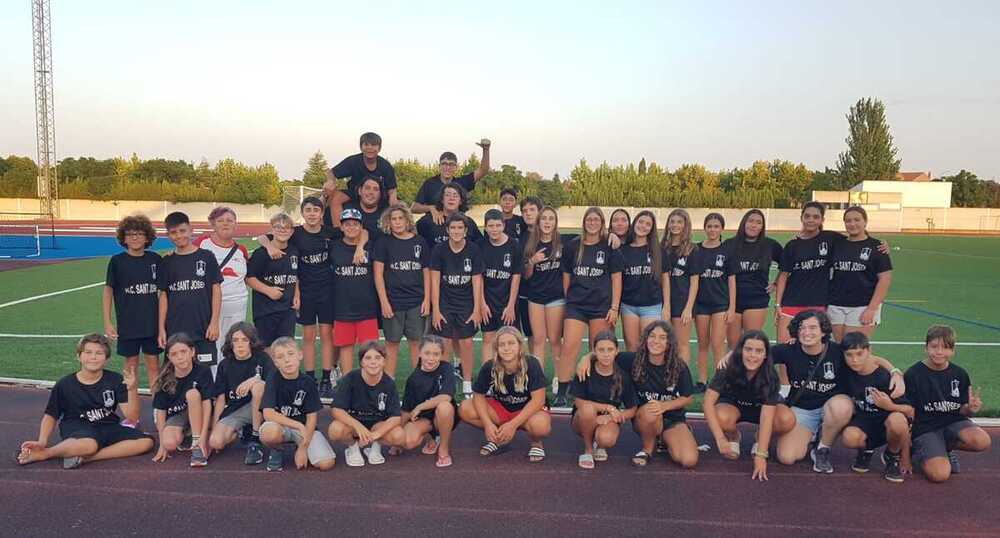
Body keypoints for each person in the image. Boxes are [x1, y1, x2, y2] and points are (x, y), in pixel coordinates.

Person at [767, 310, 904, 472]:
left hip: (832, 408)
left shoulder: (837, 351)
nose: (806, 332)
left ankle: (822, 449)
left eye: (812, 328)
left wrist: (895, 372)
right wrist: (731, 357)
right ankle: (814, 436)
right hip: (804, 409)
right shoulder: (789, 349)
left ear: (823, 330)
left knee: (842, 406)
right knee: (787, 457)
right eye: (802, 328)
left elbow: (871, 359)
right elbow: (759, 354)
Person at [256, 197, 364, 397]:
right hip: (305, 292)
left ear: (322, 213)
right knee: (308, 336)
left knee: (326, 335)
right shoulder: (296, 233)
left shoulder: (328, 232)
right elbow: (263, 237)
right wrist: (269, 247)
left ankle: (326, 378)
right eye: (308, 209)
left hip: (327, 291)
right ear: (302, 212)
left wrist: (359, 247)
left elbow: (362, 231)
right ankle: (310, 377)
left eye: (316, 210)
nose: (312, 213)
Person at [15, 334, 153, 468]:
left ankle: (86, 458)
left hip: (108, 426)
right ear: (79, 357)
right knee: (89, 445)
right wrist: (42, 441)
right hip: (78, 428)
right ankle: (46, 453)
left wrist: (132, 389)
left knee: (146, 442)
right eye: (88, 352)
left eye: (99, 353)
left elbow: (132, 417)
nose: (93, 357)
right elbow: (51, 415)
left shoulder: (116, 380)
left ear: (107, 359)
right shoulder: (65, 384)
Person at [703, 330, 795, 481]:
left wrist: (761, 454)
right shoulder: (727, 367)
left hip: (760, 409)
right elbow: (707, 403)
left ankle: (759, 438)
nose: (753, 355)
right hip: (734, 407)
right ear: (740, 351)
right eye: (748, 349)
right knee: (720, 415)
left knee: (786, 419)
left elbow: (767, 416)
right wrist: (720, 439)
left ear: (766, 355)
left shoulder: (770, 375)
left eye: (759, 351)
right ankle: (733, 436)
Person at [905, 325, 992, 483]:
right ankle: (920, 452)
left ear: (953, 351)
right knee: (940, 475)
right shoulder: (913, 374)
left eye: (945, 348)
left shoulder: (960, 374)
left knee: (982, 441)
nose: (939, 352)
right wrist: (905, 456)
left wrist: (970, 408)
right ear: (926, 347)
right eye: (934, 346)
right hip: (926, 427)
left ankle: (944, 448)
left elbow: (963, 411)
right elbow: (907, 415)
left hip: (953, 422)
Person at [556, 207, 624, 407]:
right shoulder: (573, 246)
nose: (592, 223)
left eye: (596, 220)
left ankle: (596, 390)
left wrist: (614, 307)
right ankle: (562, 391)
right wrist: (570, 298)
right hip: (576, 305)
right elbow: (567, 276)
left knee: (598, 349)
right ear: (584, 222)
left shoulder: (610, 246)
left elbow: (616, 280)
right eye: (589, 219)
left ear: (602, 223)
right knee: (569, 346)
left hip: (601, 306)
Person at [459, 326, 551, 462]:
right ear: (496, 348)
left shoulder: (532, 364)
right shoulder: (490, 366)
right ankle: (498, 437)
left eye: (511, 343)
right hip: (501, 409)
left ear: (520, 346)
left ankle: (536, 442)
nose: (506, 348)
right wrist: (488, 424)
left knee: (541, 426)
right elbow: (478, 395)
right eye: (502, 344)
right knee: (465, 408)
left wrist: (512, 425)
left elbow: (538, 400)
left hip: (527, 411)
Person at [102, 214, 161, 424]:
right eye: (130, 234)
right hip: (128, 326)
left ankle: (158, 413)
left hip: (152, 325)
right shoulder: (117, 262)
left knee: (155, 367)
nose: (135, 237)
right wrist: (108, 322)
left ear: (147, 237)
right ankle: (132, 416)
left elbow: (163, 293)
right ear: (123, 238)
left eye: (139, 234)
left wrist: (162, 326)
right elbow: (108, 291)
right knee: (131, 369)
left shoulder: (155, 260)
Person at [840, 332, 912, 482]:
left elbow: (910, 411)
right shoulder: (846, 370)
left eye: (860, 354)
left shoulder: (885, 377)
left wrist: (889, 405)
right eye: (849, 355)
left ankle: (893, 456)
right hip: (864, 421)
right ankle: (866, 449)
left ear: (869, 351)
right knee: (849, 438)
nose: (854, 360)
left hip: (886, 423)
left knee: (898, 421)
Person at [259, 336, 336, 472]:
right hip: (282, 427)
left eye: (290, 354)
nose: (287, 360)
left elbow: (312, 418)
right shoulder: (273, 378)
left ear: (300, 355)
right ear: (276, 362)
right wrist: (298, 425)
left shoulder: (308, 382)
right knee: (269, 433)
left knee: (326, 463)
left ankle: (298, 445)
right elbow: (268, 413)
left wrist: (303, 448)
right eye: (281, 357)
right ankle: (276, 449)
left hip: (306, 429)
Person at [157, 211, 222, 371]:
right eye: (173, 232)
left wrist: (214, 322)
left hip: (203, 329)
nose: (178, 236)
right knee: (174, 374)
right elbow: (163, 296)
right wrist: (161, 329)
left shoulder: (207, 257)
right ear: (168, 235)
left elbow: (216, 290)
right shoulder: (166, 262)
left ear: (191, 230)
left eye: (182, 231)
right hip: (175, 330)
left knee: (204, 374)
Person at [429, 213, 485, 397]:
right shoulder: (439, 249)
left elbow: (477, 281)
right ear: (447, 230)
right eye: (453, 228)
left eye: (460, 228)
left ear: (466, 230)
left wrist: (477, 308)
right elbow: (434, 281)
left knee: (467, 343)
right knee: (444, 342)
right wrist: (435, 310)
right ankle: (447, 382)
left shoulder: (474, 249)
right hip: (445, 301)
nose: (456, 231)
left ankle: (467, 382)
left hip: (466, 302)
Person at [373, 203, 430, 376]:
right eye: (393, 219)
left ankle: (418, 383)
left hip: (416, 302)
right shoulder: (384, 242)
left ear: (407, 220)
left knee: (416, 343)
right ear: (388, 222)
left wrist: (427, 299)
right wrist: (384, 302)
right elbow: (378, 274)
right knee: (392, 343)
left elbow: (426, 272)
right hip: (393, 302)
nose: (397, 222)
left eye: (400, 218)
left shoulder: (419, 242)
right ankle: (388, 382)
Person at [328, 341, 405, 467]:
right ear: (361, 362)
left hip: (377, 425)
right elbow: (337, 410)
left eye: (378, 358)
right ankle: (352, 447)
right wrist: (358, 426)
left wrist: (376, 435)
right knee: (335, 430)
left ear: (384, 362)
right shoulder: (350, 379)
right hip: (354, 425)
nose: (373, 362)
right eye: (368, 358)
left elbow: (395, 417)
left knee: (399, 436)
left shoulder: (389, 383)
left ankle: (375, 446)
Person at [569, 331, 638, 469]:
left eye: (610, 349)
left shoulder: (623, 376)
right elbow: (579, 402)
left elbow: (632, 409)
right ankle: (588, 449)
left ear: (617, 351)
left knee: (606, 439)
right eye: (601, 350)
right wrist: (608, 408)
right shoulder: (585, 370)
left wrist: (611, 418)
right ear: (594, 351)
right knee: (588, 409)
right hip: (583, 418)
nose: (606, 354)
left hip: (608, 418)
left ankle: (599, 443)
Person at [207, 323, 273, 466]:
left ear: (252, 342)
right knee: (216, 442)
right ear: (230, 343)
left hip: (263, 408)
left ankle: (255, 439)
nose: (240, 344)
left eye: (244, 340)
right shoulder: (224, 364)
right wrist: (214, 427)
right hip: (237, 409)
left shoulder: (263, 359)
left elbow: (274, 387)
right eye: (236, 340)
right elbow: (220, 398)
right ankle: (242, 429)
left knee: (258, 387)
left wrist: (255, 379)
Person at [194, 207, 249, 369]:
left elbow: (245, 278)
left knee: (233, 346)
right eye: (220, 220)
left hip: (238, 307)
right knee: (211, 347)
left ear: (236, 224)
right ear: (213, 224)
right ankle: (211, 387)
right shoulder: (201, 244)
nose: (225, 224)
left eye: (230, 220)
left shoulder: (241, 250)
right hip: (209, 308)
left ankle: (229, 383)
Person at [829, 206, 893, 341]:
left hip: (862, 306)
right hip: (836, 305)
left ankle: (885, 364)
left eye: (857, 220)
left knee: (856, 351)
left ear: (865, 221)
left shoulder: (877, 247)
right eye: (848, 221)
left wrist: (871, 309)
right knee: (839, 348)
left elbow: (885, 279)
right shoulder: (837, 243)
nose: (852, 224)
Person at [151, 333, 215, 467]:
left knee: (192, 394)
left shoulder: (203, 371)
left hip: (200, 412)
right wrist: (162, 444)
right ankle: (187, 433)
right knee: (169, 443)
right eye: (174, 354)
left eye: (183, 351)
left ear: (192, 351)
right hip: (178, 415)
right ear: (169, 357)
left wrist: (202, 438)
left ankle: (197, 441)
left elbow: (207, 404)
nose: (180, 357)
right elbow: (160, 411)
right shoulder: (165, 379)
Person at [393, 335, 457, 467]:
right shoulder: (413, 379)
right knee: (408, 441)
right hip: (425, 420)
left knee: (444, 407)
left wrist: (421, 406)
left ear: (441, 355)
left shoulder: (446, 368)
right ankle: (431, 437)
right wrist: (397, 441)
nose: (431, 358)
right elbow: (406, 410)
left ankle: (443, 449)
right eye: (427, 353)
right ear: (420, 353)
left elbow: (446, 397)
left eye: (436, 354)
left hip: (445, 417)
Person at [330, 208, 380, 374]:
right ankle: (347, 382)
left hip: (367, 308)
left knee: (370, 350)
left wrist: (361, 246)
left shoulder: (371, 247)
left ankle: (370, 382)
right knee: (345, 347)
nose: (351, 227)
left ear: (361, 227)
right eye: (347, 224)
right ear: (342, 227)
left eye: (355, 224)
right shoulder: (333, 246)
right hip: (342, 308)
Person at [723, 209, 783, 348]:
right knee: (733, 345)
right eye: (750, 221)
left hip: (756, 300)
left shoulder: (770, 245)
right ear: (744, 223)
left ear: (762, 226)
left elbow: (787, 266)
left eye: (758, 222)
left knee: (751, 343)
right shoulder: (730, 244)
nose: (753, 225)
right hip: (732, 301)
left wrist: (775, 283)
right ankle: (734, 370)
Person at [691, 213, 736, 392]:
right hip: (701, 304)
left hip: (720, 304)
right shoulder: (696, 249)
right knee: (703, 344)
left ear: (721, 229)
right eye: (709, 226)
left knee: (718, 344)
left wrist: (732, 306)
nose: (712, 229)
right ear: (704, 228)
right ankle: (702, 381)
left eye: (716, 226)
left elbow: (732, 281)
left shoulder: (726, 251)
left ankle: (720, 381)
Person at [522, 206, 565, 386]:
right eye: (544, 219)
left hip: (556, 298)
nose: (547, 222)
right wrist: (532, 262)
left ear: (555, 223)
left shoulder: (563, 243)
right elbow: (526, 276)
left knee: (555, 340)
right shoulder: (531, 244)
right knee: (538, 340)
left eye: (551, 219)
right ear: (538, 222)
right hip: (536, 298)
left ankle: (558, 378)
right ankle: (537, 380)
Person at [246, 213, 300, 347]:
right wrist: (268, 290)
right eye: (278, 227)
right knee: (267, 348)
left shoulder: (294, 251)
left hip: (287, 309)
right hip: (266, 310)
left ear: (292, 231)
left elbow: (295, 275)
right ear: (271, 229)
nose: (282, 230)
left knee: (286, 346)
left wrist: (297, 295)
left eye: (286, 227)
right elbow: (249, 278)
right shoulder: (261, 253)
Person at [324, 132, 398, 227]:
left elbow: (392, 188)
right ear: (361, 147)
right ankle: (338, 230)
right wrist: (330, 181)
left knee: (400, 204)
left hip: (378, 194)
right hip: (355, 192)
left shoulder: (386, 166)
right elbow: (331, 173)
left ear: (379, 148)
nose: (370, 148)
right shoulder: (353, 161)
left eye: (373, 145)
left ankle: (399, 231)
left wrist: (393, 200)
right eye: (366, 144)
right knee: (335, 197)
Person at [619, 210, 668, 353]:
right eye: (641, 222)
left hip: (652, 305)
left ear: (651, 229)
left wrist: (667, 306)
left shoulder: (658, 250)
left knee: (650, 347)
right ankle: (635, 375)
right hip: (628, 306)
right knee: (632, 347)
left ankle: (648, 375)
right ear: (635, 223)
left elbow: (665, 279)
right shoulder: (623, 250)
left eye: (648, 224)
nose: (643, 226)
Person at [479, 209, 523, 366]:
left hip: (507, 302)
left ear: (504, 225)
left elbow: (516, 277)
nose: (494, 229)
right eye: (491, 226)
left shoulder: (514, 246)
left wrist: (511, 305)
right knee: (488, 339)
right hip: (488, 302)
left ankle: (514, 375)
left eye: (498, 225)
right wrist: (482, 304)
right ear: (485, 227)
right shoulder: (481, 246)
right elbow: (479, 278)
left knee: (510, 340)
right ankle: (488, 377)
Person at [412, 140, 492, 222]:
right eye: (444, 164)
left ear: (456, 167)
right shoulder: (429, 184)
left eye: (451, 164)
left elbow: (483, 170)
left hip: (458, 227)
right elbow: (414, 208)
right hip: (435, 227)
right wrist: (431, 208)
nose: (448, 167)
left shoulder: (461, 183)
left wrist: (486, 150)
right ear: (439, 166)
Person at [661, 209, 699, 372]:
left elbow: (695, 282)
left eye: (679, 222)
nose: (675, 225)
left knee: (681, 343)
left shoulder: (691, 249)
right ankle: (665, 376)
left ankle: (680, 378)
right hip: (661, 302)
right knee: (663, 342)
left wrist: (689, 308)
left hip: (682, 303)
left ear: (685, 225)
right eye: (672, 222)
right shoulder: (661, 247)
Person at [514, 195, 544, 338]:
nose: (528, 213)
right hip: (527, 294)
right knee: (531, 335)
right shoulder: (520, 240)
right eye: (524, 210)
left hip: (551, 297)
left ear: (540, 212)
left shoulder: (552, 235)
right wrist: (531, 262)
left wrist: (608, 234)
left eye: (532, 209)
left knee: (555, 337)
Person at [416, 183, 484, 246]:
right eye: (447, 195)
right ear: (442, 199)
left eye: (455, 195)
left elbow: (481, 244)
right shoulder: (428, 221)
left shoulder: (469, 222)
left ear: (461, 201)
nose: (451, 198)